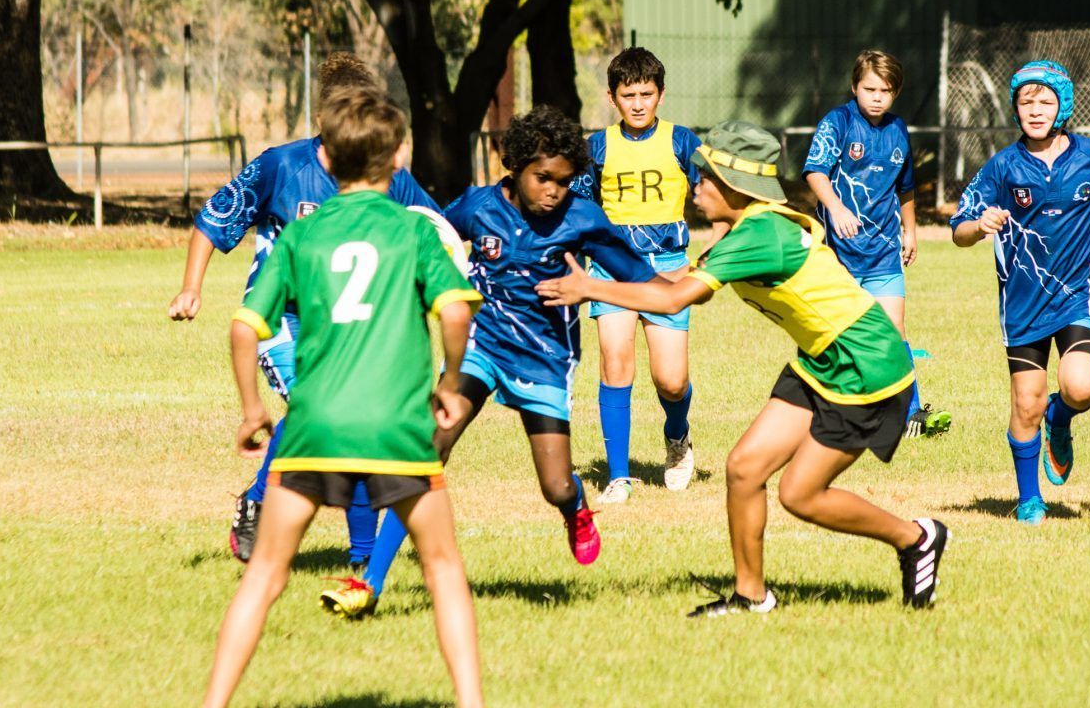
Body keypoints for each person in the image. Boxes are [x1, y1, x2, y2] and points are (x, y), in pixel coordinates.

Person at [175, 86, 509, 708]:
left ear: (325, 155)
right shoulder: (415, 229)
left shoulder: (301, 234)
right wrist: (448, 384)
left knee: (266, 574)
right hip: (395, 428)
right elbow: (456, 313)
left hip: (314, 427)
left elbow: (246, 329)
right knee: (442, 567)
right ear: (397, 159)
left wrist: (250, 412)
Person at [539, 121, 951, 618]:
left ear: (733, 186)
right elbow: (667, 282)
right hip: (823, 357)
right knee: (744, 468)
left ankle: (916, 537)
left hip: (865, 366)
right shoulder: (748, 228)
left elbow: (671, 300)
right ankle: (751, 595)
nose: (695, 187)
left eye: (704, 178)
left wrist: (591, 288)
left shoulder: (757, 235)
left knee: (800, 494)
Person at [335, 107, 657, 620]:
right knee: (427, 449)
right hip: (480, 348)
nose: (553, 190)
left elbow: (645, 283)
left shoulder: (583, 218)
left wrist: (589, 288)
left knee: (554, 484)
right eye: (542, 178)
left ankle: (575, 508)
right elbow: (433, 234)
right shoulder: (479, 207)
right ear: (515, 166)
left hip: (544, 360)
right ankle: (369, 580)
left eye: (564, 181)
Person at [167, 53, 439, 569]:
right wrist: (191, 288)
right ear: (322, 118)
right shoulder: (281, 165)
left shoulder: (389, 175)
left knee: (351, 423)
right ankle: (280, 514)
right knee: (320, 406)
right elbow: (214, 218)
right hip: (281, 320)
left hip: (350, 326)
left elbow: (435, 228)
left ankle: (333, 544)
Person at [949, 61, 1090, 525]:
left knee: (1081, 388)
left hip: (1079, 293)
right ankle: (1029, 498)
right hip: (1024, 300)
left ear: (1063, 106)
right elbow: (958, 230)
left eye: (1045, 101)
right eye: (1026, 102)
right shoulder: (1003, 166)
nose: (1035, 110)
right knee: (1024, 402)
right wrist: (978, 226)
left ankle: (1062, 416)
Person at [570, 47, 705, 504]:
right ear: (612, 97)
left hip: (668, 270)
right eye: (629, 95)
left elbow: (714, 194)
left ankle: (678, 437)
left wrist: (719, 240)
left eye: (646, 93)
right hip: (611, 269)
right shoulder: (597, 148)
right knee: (614, 362)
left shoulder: (682, 141)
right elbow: (580, 208)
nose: (638, 103)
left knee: (670, 380)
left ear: (661, 94)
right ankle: (619, 476)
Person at [804, 50, 950, 438]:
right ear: (855, 87)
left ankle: (911, 414)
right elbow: (815, 173)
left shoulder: (898, 130)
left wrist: (911, 230)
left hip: (883, 249)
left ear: (895, 93)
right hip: (838, 252)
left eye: (885, 90)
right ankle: (831, 411)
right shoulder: (838, 123)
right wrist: (835, 207)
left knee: (893, 330)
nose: (876, 97)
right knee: (839, 333)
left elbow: (905, 188)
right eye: (869, 89)